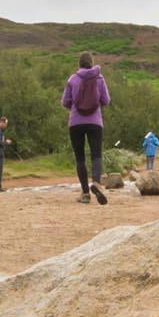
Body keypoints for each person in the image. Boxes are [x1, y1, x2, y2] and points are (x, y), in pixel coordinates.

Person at [63, 53, 109, 205]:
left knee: (80, 158)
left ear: (79, 64)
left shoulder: (73, 79)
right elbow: (106, 100)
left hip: (76, 122)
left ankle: (85, 194)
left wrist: (76, 108)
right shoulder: (100, 79)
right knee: (96, 155)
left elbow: (65, 102)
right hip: (95, 122)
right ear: (92, 63)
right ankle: (96, 183)